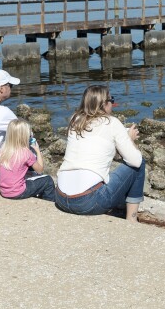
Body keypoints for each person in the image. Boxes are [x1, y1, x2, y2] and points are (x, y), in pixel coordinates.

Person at [55, 85, 145, 222]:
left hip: (61, 198)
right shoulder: (113, 123)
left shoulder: (75, 120)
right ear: (104, 104)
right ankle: (131, 220)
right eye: (111, 100)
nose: (113, 104)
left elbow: (97, 149)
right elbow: (135, 160)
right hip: (88, 203)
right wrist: (129, 140)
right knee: (139, 164)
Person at [0, 118, 55, 201]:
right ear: (24, 136)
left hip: (4, 191)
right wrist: (37, 151)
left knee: (29, 174)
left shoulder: (3, 150)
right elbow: (40, 170)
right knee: (47, 181)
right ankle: (49, 203)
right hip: (18, 192)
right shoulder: (26, 153)